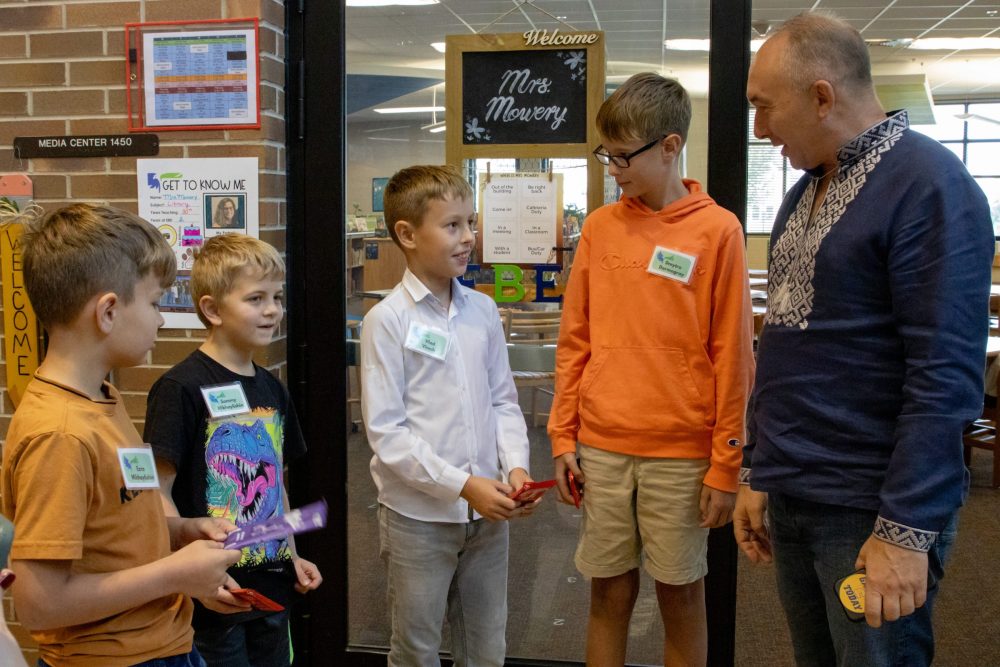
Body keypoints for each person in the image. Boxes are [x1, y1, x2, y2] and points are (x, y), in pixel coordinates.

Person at [735, 12, 994, 666]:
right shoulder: (805, 190)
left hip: (870, 509)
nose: (759, 129)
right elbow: (788, 350)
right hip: (797, 491)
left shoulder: (931, 185)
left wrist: (905, 531)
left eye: (765, 107)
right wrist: (761, 469)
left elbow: (943, 375)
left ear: (821, 97)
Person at [548, 72, 755, 666]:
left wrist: (727, 463)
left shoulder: (718, 230)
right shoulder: (600, 227)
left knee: (681, 597)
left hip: (681, 453)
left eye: (623, 156)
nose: (613, 169)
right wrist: (562, 436)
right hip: (603, 446)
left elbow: (734, 356)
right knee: (608, 593)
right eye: (606, 154)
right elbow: (575, 340)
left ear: (669, 146)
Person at [1, 203, 243, 667]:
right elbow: (39, 603)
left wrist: (179, 532)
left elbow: (110, 527)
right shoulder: (61, 434)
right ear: (108, 311)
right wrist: (174, 574)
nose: (161, 319)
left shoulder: (101, 397)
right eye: (154, 303)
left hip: (163, 643)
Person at [360, 165, 534, 667]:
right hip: (418, 519)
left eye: (470, 223)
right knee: (416, 649)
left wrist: (516, 467)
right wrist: (462, 485)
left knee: (487, 647)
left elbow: (503, 400)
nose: (468, 237)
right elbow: (388, 434)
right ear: (407, 234)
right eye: (452, 225)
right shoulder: (387, 320)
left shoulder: (482, 311)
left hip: (489, 515)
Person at [144, 234, 322, 666]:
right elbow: (157, 492)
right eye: (255, 299)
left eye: (276, 298)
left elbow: (275, 484)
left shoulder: (272, 388)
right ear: (212, 309)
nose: (272, 310)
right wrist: (187, 572)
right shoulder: (180, 387)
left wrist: (292, 555)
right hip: (213, 595)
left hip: (271, 588)